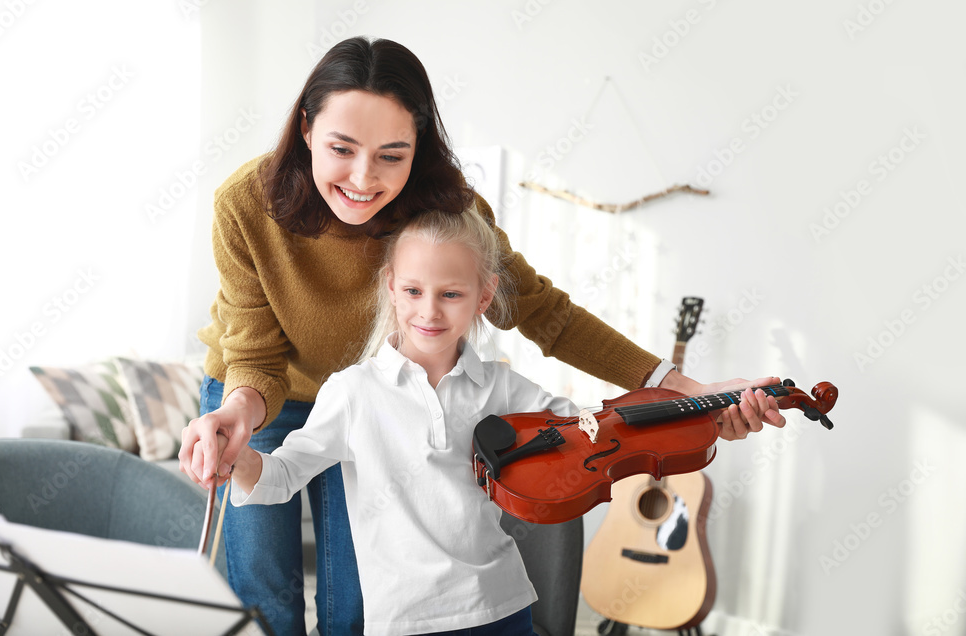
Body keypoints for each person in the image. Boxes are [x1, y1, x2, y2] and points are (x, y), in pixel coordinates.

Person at [179, 36, 785, 636]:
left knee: (355, 604)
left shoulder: (446, 207)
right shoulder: (245, 204)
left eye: (392, 154)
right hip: (257, 393)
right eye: (342, 148)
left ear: (417, 147)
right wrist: (237, 414)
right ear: (307, 128)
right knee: (264, 593)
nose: (363, 178)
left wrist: (681, 390)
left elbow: (545, 313)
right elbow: (255, 352)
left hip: (387, 393)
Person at [214, 205, 577, 635]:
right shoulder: (352, 392)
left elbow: (579, 430)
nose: (429, 311)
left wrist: (651, 416)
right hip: (405, 619)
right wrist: (239, 458)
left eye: (451, 294)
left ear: (484, 296)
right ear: (390, 286)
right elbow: (286, 473)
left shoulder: (501, 385)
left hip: (500, 605)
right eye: (413, 291)